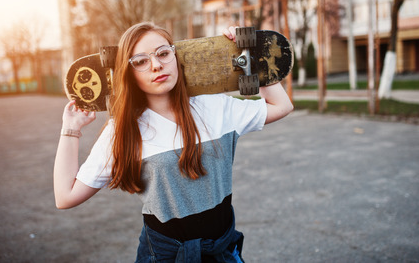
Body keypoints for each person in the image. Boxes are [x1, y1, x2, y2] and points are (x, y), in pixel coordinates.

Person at [54, 22, 293, 262]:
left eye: (163, 53)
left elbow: (282, 105)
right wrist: (70, 129)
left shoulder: (215, 106)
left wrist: (253, 52)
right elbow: (65, 196)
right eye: (140, 61)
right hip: (164, 256)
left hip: (221, 251)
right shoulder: (124, 130)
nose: (156, 65)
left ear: (175, 56)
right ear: (129, 73)